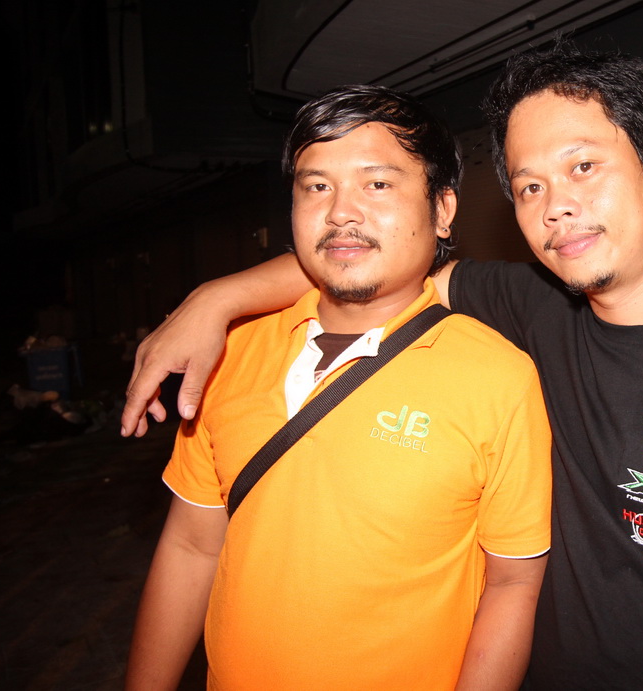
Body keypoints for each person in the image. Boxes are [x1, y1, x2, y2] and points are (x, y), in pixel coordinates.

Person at [123, 45, 643, 689]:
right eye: (529, 185)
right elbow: (367, 258)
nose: (554, 204)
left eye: (583, 166)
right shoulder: (532, 306)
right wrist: (213, 301)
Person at [124, 85, 552, 690]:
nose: (340, 212)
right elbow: (192, 547)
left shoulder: (499, 377)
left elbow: (512, 583)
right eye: (316, 186)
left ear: (442, 210)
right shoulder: (229, 353)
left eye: (377, 184)